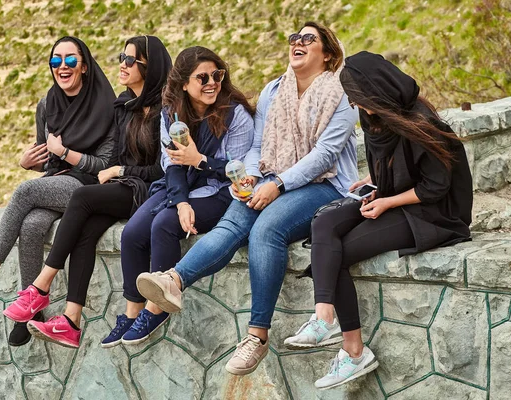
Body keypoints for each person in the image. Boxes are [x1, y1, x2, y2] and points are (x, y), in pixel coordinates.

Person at [136, 22, 358, 375]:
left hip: (326, 185)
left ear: (328, 53)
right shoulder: (274, 90)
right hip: (271, 178)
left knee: (266, 229)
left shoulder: (342, 94)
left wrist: (278, 185)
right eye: (294, 38)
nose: (297, 43)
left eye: (308, 39)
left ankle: (257, 336)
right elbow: (257, 147)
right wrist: (250, 177)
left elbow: (325, 156)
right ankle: (173, 281)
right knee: (232, 223)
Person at [285, 51, 473, 389]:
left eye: (362, 98)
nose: (359, 106)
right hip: (392, 198)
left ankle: (354, 351)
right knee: (324, 224)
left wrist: (387, 201)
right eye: (355, 100)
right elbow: (390, 165)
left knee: (337, 251)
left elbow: (435, 187)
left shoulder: (420, 122)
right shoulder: (373, 118)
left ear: (379, 91)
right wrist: (374, 185)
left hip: (431, 212)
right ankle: (324, 315)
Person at [0, 36, 172, 349]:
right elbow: (113, 156)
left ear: (150, 67)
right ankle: (70, 321)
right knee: (86, 232)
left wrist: (121, 172)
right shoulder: (124, 106)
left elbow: (163, 169)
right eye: (123, 56)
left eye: (130, 60)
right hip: (120, 186)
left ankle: (40, 287)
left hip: (147, 189)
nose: (122, 63)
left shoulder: (165, 112)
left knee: (81, 198)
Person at [0, 37, 116, 345]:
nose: (62, 67)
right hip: (57, 181)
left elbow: (105, 163)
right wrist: (28, 162)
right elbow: (48, 160)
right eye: (56, 61)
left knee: (25, 192)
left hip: (89, 185)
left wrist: (64, 152)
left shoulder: (106, 105)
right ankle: (31, 313)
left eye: (69, 60)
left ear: (84, 66)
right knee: (32, 223)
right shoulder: (47, 104)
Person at [100, 46, 255, 347]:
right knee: (132, 233)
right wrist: (182, 200)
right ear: (184, 83)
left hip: (220, 191)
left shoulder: (236, 115)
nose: (212, 82)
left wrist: (199, 160)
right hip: (180, 187)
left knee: (165, 224)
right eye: (203, 77)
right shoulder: (170, 111)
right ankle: (132, 314)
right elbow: (170, 163)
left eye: (217, 75)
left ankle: (156, 309)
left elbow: (239, 172)